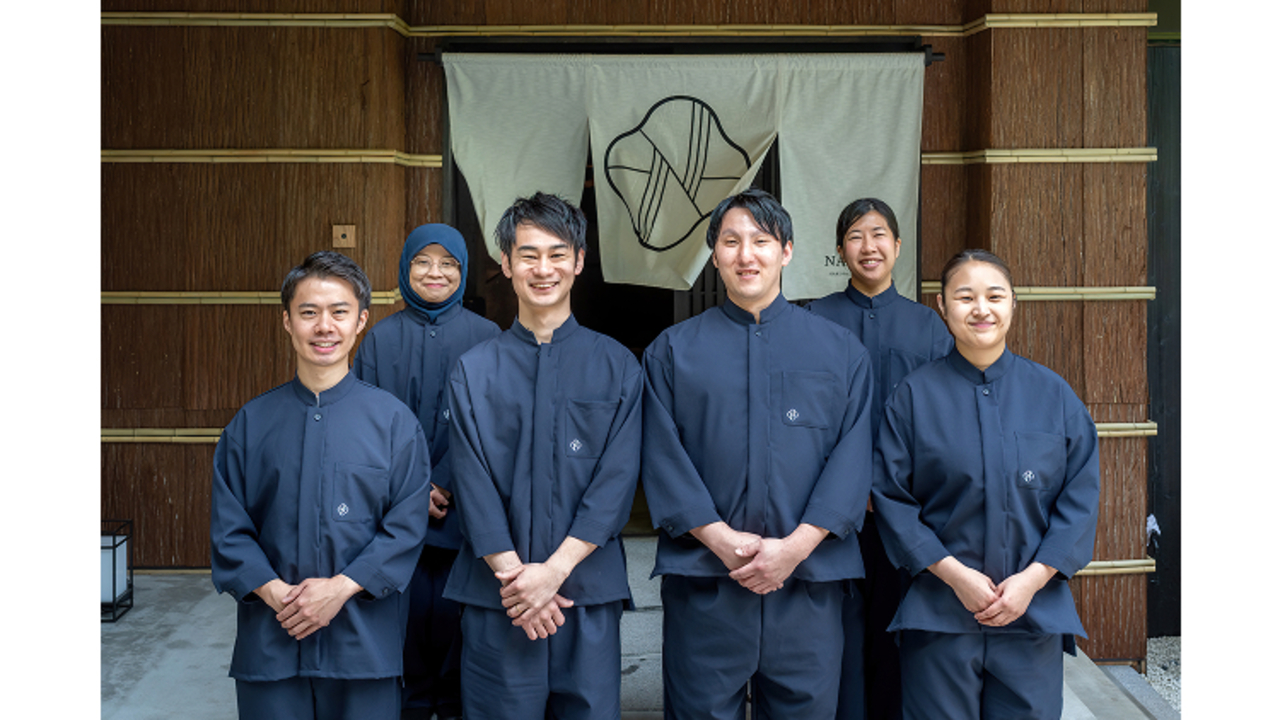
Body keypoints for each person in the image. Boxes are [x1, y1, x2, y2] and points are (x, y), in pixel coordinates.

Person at [641, 188, 875, 720]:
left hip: (809, 583)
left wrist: (794, 548)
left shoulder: (840, 351)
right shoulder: (673, 351)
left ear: (786, 251)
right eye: (731, 242)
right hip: (706, 580)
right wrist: (719, 539)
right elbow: (661, 456)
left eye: (761, 241)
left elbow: (853, 457)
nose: (746, 255)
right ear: (714, 254)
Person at [871, 249, 1100, 720]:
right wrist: (956, 576)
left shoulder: (1054, 396)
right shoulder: (913, 397)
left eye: (994, 296)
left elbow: (1080, 499)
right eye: (965, 296)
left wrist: (1031, 581)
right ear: (942, 306)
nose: (981, 309)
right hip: (940, 614)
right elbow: (891, 498)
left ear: (1012, 304)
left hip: (1030, 613)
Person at [443, 192, 642, 720]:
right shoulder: (474, 369)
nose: (543, 268)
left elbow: (616, 484)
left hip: (584, 591)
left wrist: (552, 573)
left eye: (557, 254)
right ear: (504, 264)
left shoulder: (617, 366)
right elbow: (472, 481)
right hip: (497, 596)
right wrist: (518, 581)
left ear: (579, 262)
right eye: (528, 254)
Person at [210, 251, 434, 720]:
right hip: (271, 643)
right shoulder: (250, 424)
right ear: (287, 322)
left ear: (361, 321)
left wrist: (340, 589)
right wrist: (277, 594)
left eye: (339, 312)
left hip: (362, 646)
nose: (324, 326)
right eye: (309, 312)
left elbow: (405, 527)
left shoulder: (394, 424)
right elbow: (230, 528)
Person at [806, 198, 953, 720]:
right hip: (831, 513)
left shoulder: (930, 328)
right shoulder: (815, 319)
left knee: (900, 627)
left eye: (878, 235)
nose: (868, 247)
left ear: (896, 245)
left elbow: (941, 421)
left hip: (907, 510)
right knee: (837, 631)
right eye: (855, 237)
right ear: (839, 250)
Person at [352, 224, 500, 720]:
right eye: (423, 261)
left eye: (449, 264)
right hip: (397, 515)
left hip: (465, 515)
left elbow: (492, 427)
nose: (435, 272)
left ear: (462, 272)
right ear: (405, 268)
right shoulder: (379, 339)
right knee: (406, 634)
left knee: (462, 636)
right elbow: (366, 424)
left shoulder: (488, 338)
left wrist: (446, 481)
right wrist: (415, 489)